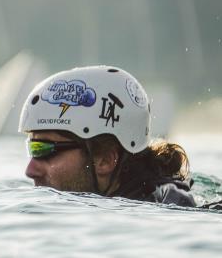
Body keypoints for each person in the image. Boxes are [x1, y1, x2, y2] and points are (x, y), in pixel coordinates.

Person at [19, 65, 196, 207]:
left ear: (105, 159)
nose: (30, 170)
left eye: (45, 150)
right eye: (32, 148)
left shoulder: (167, 208)